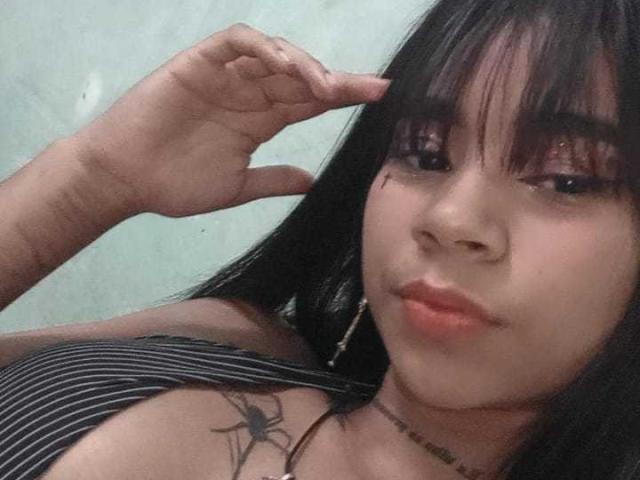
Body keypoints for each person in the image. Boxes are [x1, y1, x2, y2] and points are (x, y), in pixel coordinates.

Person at [1, 0, 640, 478]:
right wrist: (91, 179)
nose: (449, 218)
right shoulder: (233, 338)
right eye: (424, 152)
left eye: (567, 179)